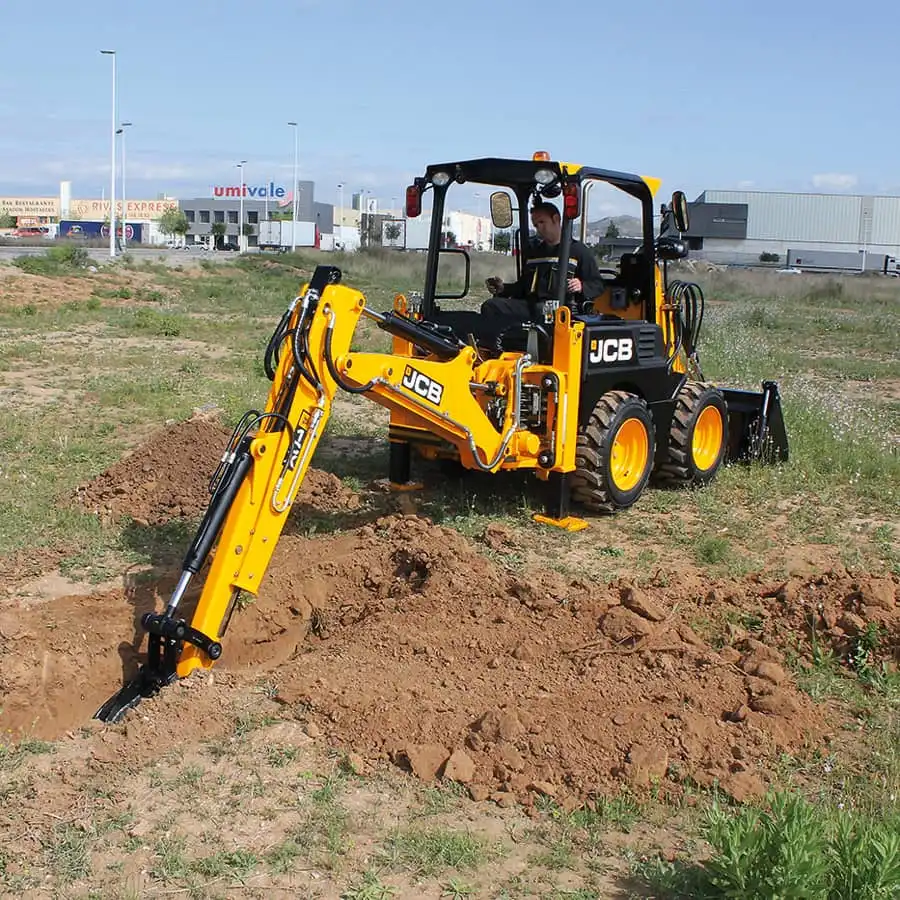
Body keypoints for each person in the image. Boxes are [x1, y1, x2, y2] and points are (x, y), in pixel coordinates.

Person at [482, 201, 605, 321]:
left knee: (541, 310)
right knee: (492, 306)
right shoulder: (535, 253)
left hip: (560, 310)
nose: (539, 228)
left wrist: (581, 286)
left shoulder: (578, 251)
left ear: (556, 219)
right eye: (536, 225)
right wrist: (503, 288)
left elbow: (597, 285)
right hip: (531, 307)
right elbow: (523, 286)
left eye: (542, 222)